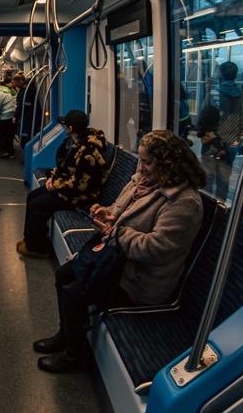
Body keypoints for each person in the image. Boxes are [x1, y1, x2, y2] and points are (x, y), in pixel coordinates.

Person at [33, 130, 205, 372]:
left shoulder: (183, 202)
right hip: (117, 257)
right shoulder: (141, 183)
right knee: (63, 274)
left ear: (167, 164)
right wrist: (107, 213)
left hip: (139, 277)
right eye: (140, 159)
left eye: (147, 162)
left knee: (74, 293)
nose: (141, 167)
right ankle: (65, 334)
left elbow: (158, 249)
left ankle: (75, 356)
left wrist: (116, 233)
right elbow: (119, 210)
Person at [16, 110, 110, 259]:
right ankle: (31, 241)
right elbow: (66, 168)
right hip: (67, 188)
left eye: (65, 125)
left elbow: (80, 185)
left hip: (79, 196)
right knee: (32, 196)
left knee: (37, 205)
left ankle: (38, 248)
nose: (64, 128)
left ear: (71, 129)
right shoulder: (75, 143)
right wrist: (52, 178)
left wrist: (55, 184)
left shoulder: (89, 152)